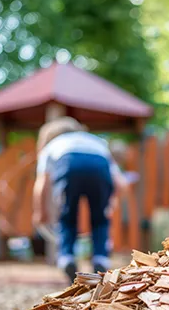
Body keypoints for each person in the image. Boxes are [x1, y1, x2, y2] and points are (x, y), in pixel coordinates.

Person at [33, 117, 128, 280]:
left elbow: (41, 184)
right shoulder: (97, 142)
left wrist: (39, 211)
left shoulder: (53, 145)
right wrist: (110, 201)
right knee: (100, 219)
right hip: (99, 165)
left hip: (69, 163)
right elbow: (121, 182)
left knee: (67, 216)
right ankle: (100, 259)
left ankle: (67, 257)